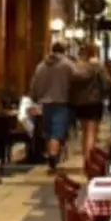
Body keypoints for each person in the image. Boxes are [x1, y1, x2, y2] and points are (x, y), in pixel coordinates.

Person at [29, 42, 78, 173]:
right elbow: (77, 78)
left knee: (48, 132)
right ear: (63, 51)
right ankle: (53, 157)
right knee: (57, 132)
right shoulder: (67, 64)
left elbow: (34, 84)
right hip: (61, 102)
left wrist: (34, 97)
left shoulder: (41, 66)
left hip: (44, 103)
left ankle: (50, 156)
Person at [71, 45, 111, 165]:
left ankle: (85, 157)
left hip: (79, 102)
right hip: (94, 101)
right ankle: (89, 161)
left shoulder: (76, 66)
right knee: (92, 132)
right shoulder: (97, 66)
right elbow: (107, 82)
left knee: (84, 132)